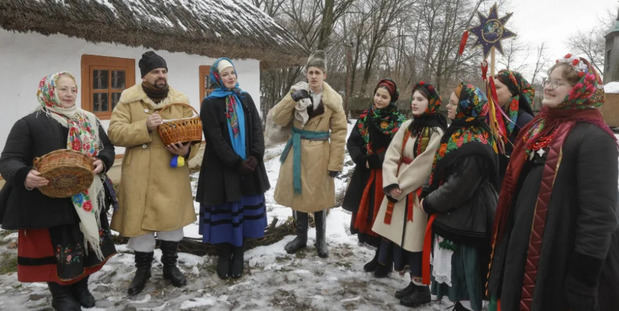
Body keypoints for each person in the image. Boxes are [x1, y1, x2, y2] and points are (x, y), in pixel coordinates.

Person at [487, 55, 617, 311]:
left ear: (581, 89)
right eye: (548, 80)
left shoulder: (595, 138)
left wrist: (582, 281)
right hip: (524, 253)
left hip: (558, 261)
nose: (548, 86)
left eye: (559, 83)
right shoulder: (542, 128)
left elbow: (599, 217)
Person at [0, 72, 116, 310]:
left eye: (73, 89)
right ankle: (61, 294)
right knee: (58, 250)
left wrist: (103, 161)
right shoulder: (29, 123)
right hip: (48, 200)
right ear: (49, 91)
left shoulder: (89, 120)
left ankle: (81, 287)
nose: (69, 94)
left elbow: (107, 149)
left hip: (85, 197)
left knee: (84, 243)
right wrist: (25, 175)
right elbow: (9, 159)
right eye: (63, 89)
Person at [108, 51, 200, 295]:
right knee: (142, 225)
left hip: (172, 169)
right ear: (144, 76)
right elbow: (115, 132)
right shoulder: (128, 100)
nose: (161, 76)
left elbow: (195, 134)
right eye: (155, 72)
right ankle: (142, 269)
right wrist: (144, 126)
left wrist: (187, 149)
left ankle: (170, 266)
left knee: (171, 222)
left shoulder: (180, 100)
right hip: (139, 172)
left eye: (163, 71)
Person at [421, 83, 499, 311]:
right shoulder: (460, 133)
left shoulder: (475, 144)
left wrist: (429, 201)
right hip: (459, 216)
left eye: (453, 103)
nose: (448, 106)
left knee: (466, 274)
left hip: (469, 219)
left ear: (467, 107)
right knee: (457, 273)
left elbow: (458, 187)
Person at [372, 81, 447, 307]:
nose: (415, 102)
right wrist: (390, 183)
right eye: (413, 99)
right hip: (398, 188)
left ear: (431, 103)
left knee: (415, 242)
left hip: (416, 193)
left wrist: (400, 188)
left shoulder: (437, 131)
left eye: (420, 99)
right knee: (402, 239)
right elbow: (392, 155)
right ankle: (413, 285)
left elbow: (424, 165)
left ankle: (422, 286)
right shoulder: (407, 126)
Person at [196, 57, 270, 279]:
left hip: (249, 164)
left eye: (232, 73)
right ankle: (224, 252)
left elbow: (257, 128)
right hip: (222, 168)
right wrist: (236, 163)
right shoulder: (209, 103)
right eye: (225, 74)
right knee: (226, 210)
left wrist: (255, 157)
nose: (230, 77)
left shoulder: (245, 98)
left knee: (243, 209)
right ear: (217, 78)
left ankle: (239, 252)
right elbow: (215, 139)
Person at [270, 50, 347, 258]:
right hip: (298, 150)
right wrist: (291, 99)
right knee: (299, 195)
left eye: (318, 72)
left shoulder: (333, 100)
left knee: (319, 198)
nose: (313, 76)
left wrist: (335, 163)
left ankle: (321, 239)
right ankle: (301, 237)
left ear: (325, 75)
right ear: (306, 73)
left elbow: (340, 132)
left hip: (321, 152)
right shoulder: (297, 91)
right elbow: (277, 117)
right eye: (310, 72)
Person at [342, 79, 406, 273]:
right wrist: (362, 159)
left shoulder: (398, 122)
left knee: (382, 213)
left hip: (385, 174)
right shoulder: (365, 117)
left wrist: (377, 160)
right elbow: (353, 142)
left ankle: (384, 259)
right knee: (368, 213)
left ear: (392, 99)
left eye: (384, 96)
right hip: (366, 172)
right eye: (377, 95)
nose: (379, 99)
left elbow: (398, 148)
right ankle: (377, 257)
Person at [492, 69, 534, 177]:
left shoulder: (525, 121)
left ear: (512, 91)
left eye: (497, 87)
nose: (491, 91)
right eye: (491, 86)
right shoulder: (492, 117)